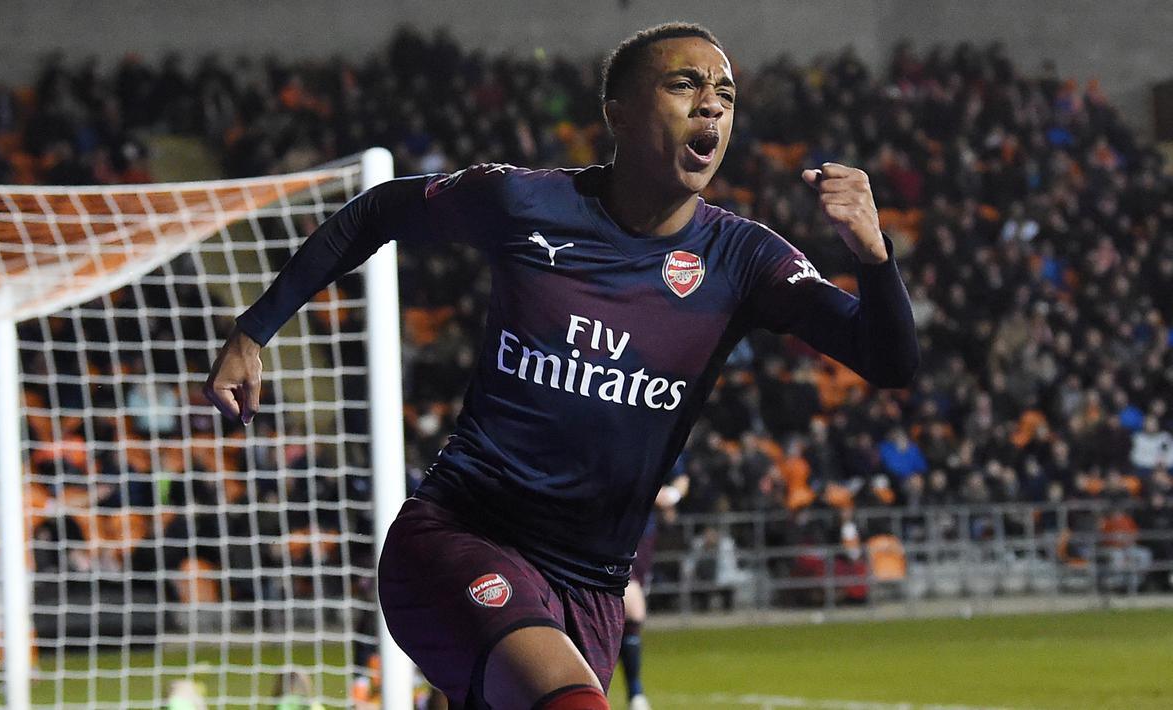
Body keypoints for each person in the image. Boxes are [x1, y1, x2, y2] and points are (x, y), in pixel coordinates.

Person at [205, 22, 918, 710]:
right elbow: (376, 212)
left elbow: (889, 362)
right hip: (461, 538)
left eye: (725, 94)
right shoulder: (526, 202)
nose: (711, 104)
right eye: (684, 84)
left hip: (590, 590)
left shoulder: (744, 260)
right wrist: (253, 330)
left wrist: (872, 256)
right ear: (619, 112)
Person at [618, 462, 688, 710]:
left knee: (628, 614)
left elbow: (681, 478)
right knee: (632, 609)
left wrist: (671, 495)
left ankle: (631, 690)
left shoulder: (659, 428)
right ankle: (635, 692)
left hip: (642, 535)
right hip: (609, 529)